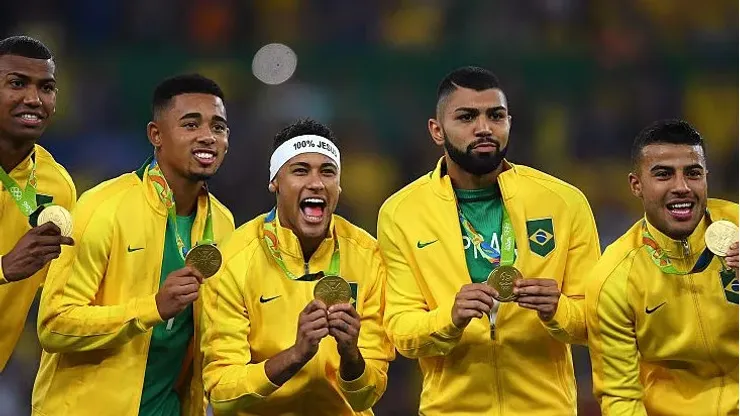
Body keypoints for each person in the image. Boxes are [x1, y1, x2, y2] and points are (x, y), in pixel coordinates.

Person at [377, 66, 601, 415]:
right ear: (437, 131)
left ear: (509, 122)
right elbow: (401, 331)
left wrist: (557, 307)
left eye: (495, 116)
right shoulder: (401, 213)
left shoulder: (563, 202)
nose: (483, 128)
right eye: (467, 117)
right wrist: (449, 317)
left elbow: (594, 320)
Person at [32, 74, 235, 416]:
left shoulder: (224, 224)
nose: (207, 137)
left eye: (219, 127)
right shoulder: (102, 207)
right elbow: (54, 325)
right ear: (156, 135)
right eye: (190, 124)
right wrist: (152, 308)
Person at [201, 118, 394, 415]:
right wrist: (295, 355)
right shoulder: (234, 259)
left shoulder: (368, 257)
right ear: (275, 182)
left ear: (339, 187)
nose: (316, 182)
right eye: (300, 170)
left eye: (327, 172)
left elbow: (366, 398)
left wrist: (351, 355)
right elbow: (223, 394)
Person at [586, 119, 739, 416]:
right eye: (664, 175)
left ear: (706, 177)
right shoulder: (615, 277)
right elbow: (621, 397)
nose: (681, 187)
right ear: (636, 185)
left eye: (693, 173)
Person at [0, 35, 76, 373]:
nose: (34, 99)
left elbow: (59, 297)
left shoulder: (58, 187)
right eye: (17, 83)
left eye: (46, 88)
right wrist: (3, 268)